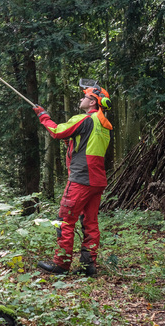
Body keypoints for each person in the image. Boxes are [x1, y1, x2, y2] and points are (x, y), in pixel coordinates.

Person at [33, 80, 113, 276]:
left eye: (85, 97)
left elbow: (57, 131)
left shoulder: (85, 120)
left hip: (81, 179)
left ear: (93, 102)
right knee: (90, 222)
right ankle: (88, 266)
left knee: (65, 221)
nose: (81, 99)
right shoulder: (103, 125)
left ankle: (61, 265)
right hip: (97, 180)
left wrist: (43, 115)